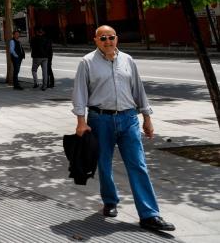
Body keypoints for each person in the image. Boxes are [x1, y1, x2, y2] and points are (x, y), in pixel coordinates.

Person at [72, 25, 175, 232]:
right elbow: (80, 93)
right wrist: (81, 121)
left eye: (111, 37)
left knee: (138, 164)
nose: (107, 41)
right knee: (104, 163)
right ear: (96, 40)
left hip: (129, 119)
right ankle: (110, 201)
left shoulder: (128, 60)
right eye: (103, 38)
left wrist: (147, 118)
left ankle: (149, 214)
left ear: (117, 39)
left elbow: (139, 90)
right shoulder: (87, 62)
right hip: (100, 119)